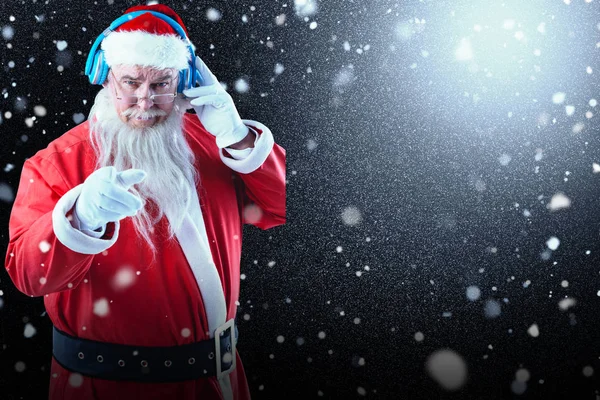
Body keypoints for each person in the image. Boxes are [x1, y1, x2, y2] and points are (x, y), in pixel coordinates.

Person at [4, 4, 286, 400]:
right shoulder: (57, 162)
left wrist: (237, 135)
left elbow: (275, 208)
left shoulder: (214, 142)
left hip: (220, 384)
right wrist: (78, 219)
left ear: (183, 80)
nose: (144, 100)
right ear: (106, 79)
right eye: (130, 82)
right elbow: (27, 275)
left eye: (161, 84)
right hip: (105, 388)